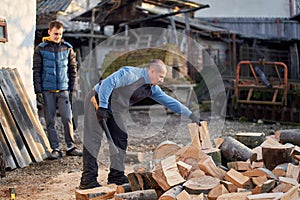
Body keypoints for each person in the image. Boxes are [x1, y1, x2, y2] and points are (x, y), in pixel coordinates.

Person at [79, 59, 201, 189]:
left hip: (115, 108)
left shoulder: (152, 89)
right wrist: (102, 106)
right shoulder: (131, 74)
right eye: (161, 77)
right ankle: (88, 179)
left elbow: (170, 102)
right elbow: (108, 83)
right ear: (152, 71)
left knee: (120, 138)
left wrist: (190, 115)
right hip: (97, 100)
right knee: (93, 140)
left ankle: (116, 175)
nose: (162, 80)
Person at [33, 20, 82, 159]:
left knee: (67, 118)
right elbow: (36, 71)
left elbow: (73, 70)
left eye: (60, 34)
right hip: (47, 90)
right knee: (50, 121)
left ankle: (70, 146)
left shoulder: (67, 48)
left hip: (63, 90)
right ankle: (55, 149)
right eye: (55, 34)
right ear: (49, 32)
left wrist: (74, 89)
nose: (57, 36)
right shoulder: (41, 49)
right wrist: (38, 91)